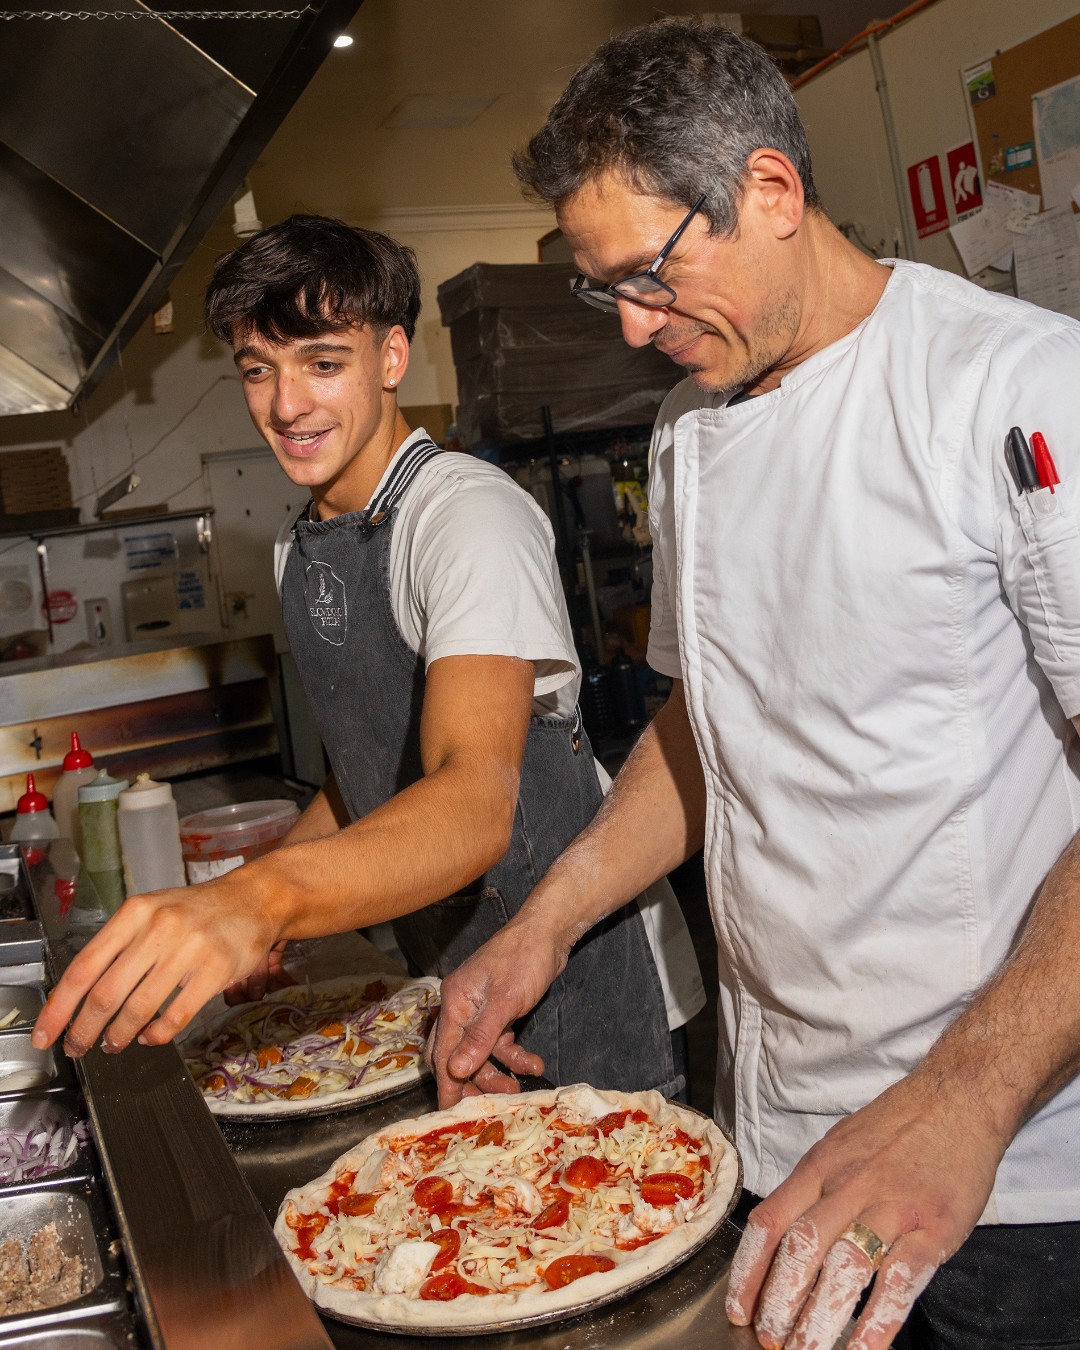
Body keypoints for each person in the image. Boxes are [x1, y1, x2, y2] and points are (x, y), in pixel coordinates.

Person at [429, 19, 1080, 1350]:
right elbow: (706, 719)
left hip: (1002, 1172)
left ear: (774, 193)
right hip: (777, 1134)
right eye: (599, 287)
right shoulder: (686, 432)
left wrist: (964, 1098)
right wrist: (546, 924)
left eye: (652, 273)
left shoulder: (1014, 389)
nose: (630, 324)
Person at [32, 214, 703, 1099]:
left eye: (322, 363)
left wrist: (260, 900)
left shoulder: (464, 516)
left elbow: (474, 803)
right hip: (448, 973)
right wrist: (268, 922)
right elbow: (369, 764)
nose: (287, 406)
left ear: (391, 359)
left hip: (578, 973)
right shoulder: (300, 541)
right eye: (259, 370)